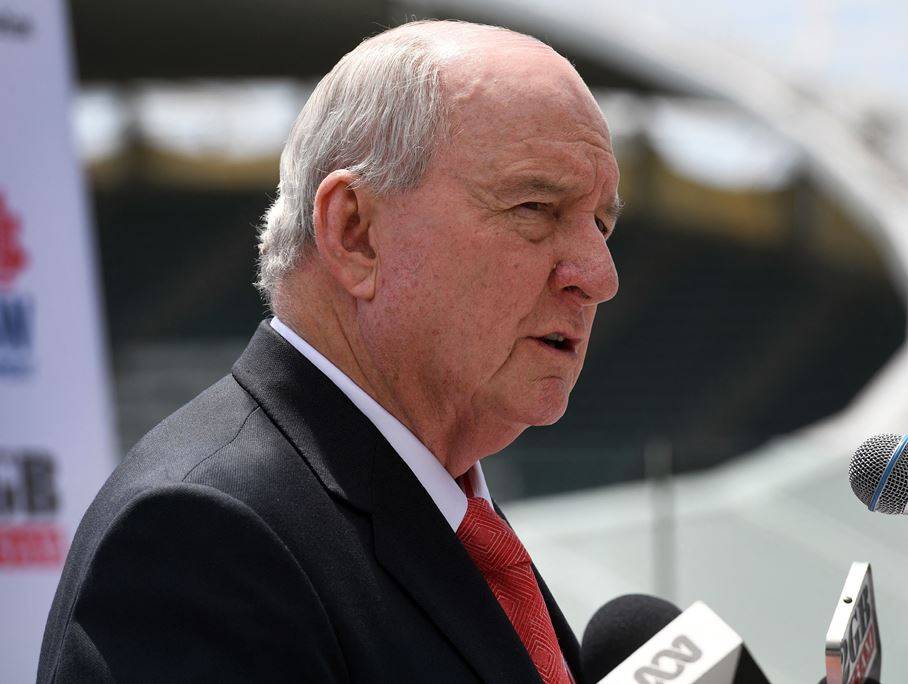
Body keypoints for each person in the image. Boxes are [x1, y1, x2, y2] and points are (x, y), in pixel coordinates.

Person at [37, 19, 620, 683]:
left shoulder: (446, 516)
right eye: (535, 206)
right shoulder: (203, 536)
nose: (599, 276)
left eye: (601, 223)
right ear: (355, 233)